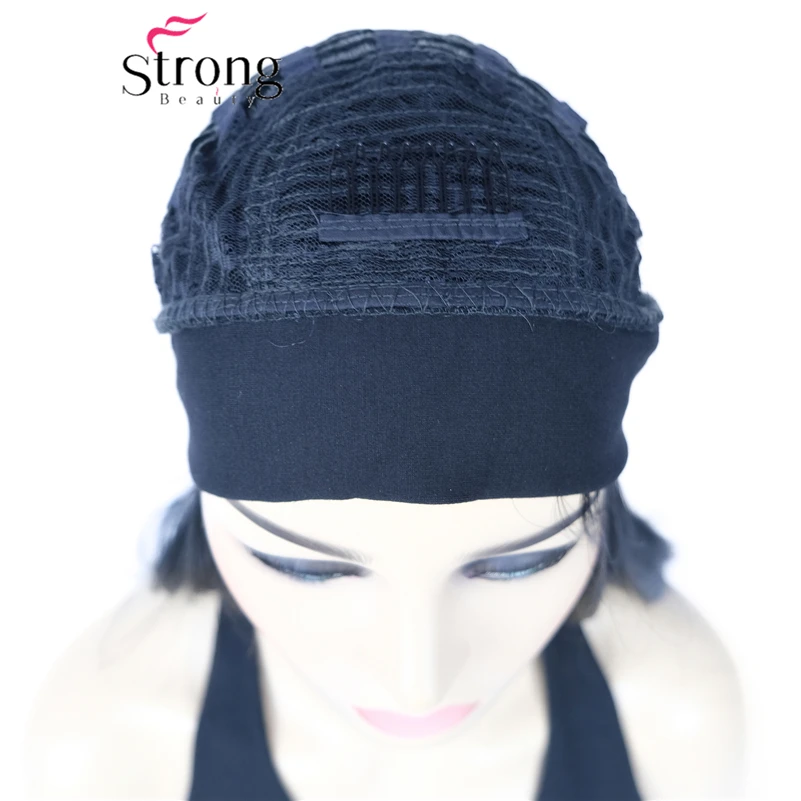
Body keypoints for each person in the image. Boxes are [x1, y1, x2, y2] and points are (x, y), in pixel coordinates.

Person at [23, 28, 746, 800]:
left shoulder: (671, 714)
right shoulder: (107, 743)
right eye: (304, 566)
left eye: (517, 563)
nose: (417, 680)